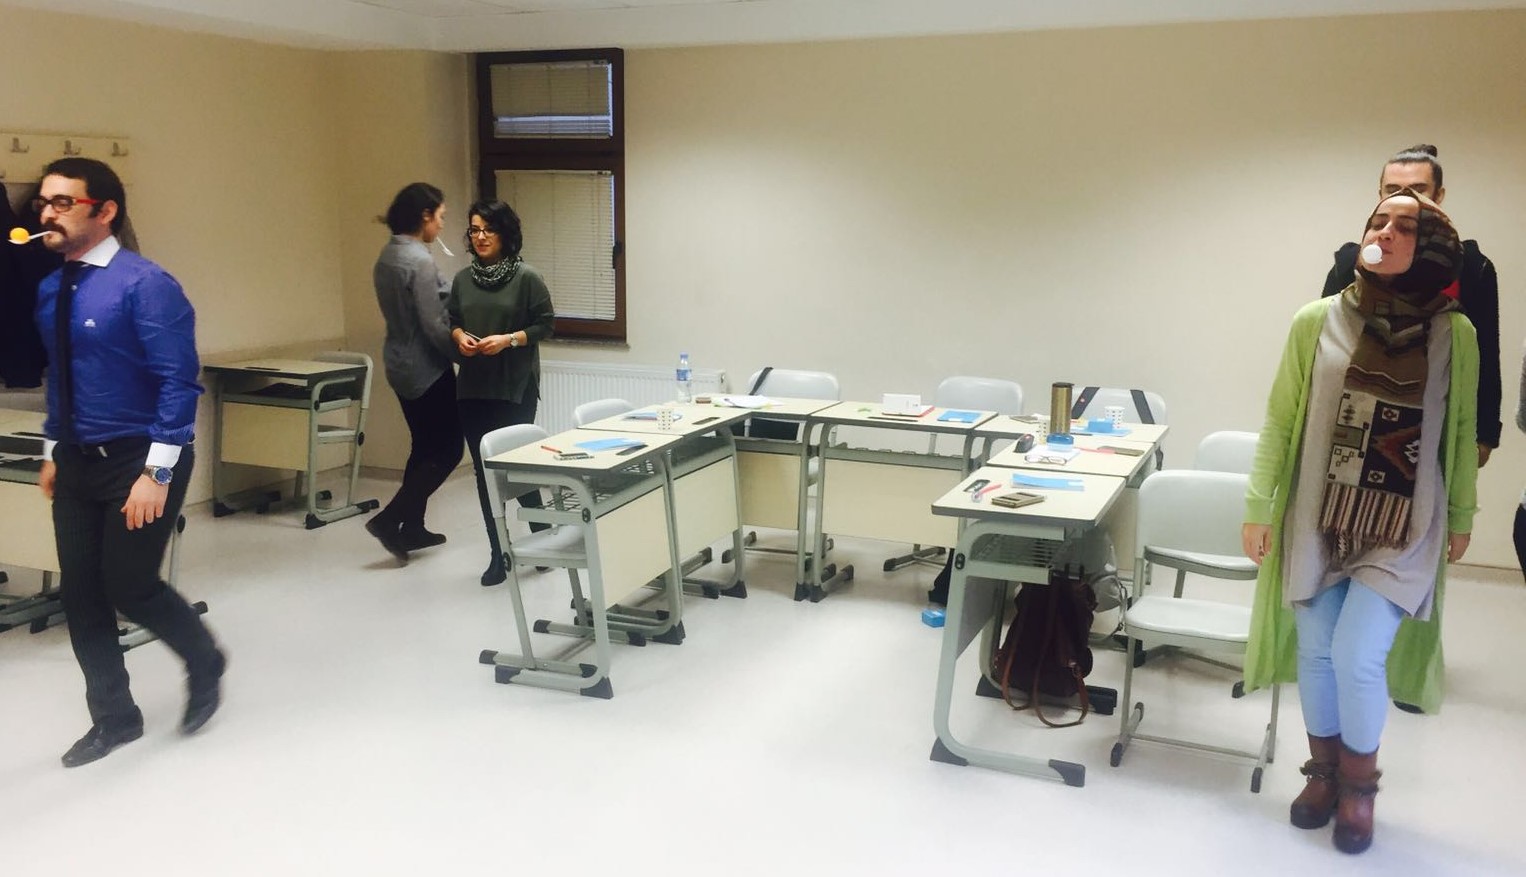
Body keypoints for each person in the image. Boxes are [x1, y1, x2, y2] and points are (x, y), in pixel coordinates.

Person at [1242, 189, 1478, 854]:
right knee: (1317, 650)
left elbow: (1459, 431)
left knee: (1357, 652)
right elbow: (1280, 417)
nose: (1385, 233)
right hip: (1318, 516)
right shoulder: (1316, 320)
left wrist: (1463, 513)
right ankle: (1323, 775)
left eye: (1405, 226)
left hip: (1405, 524)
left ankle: (1360, 788)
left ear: (1432, 251)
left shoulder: (1455, 334)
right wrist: (1259, 504)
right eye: (1378, 221)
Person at [33, 158, 226, 767]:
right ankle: (114, 719)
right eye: (44, 202)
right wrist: (52, 449)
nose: (48, 213)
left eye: (63, 202)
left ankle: (204, 659)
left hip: (140, 458)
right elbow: (61, 376)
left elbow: (178, 383)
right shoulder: (50, 289)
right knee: (81, 595)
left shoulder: (146, 284)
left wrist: (156, 473)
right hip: (76, 459)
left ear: (106, 210)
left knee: (129, 585)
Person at [1321, 145, 1500, 468]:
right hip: (1350, 417)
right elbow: (1323, 347)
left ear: (1439, 196)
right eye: (1392, 190)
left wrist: (1485, 435)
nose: (1405, 198)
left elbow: (1485, 352)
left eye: (1418, 189)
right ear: (1380, 195)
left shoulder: (1472, 268)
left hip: (1439, 422)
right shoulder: (1351, 263)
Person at [447, 200, 555, 586]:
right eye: (474, 230)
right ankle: (499, 552)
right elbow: (453, 320)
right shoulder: (462, 280)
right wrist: (459, 337)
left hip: (515, 386)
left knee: (516, 466)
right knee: (484, 471)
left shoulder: (527, 277)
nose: (480, 237)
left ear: (505, 234)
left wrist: (509, 339)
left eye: (488, 230)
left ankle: (543, 536)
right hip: (473, 386)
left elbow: (546, 324)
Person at [365, 183, 464, 562]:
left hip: (398, 362)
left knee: (423, 447)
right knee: (449, 449)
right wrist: (463, 356)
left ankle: (413, 528)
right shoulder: (419, 260)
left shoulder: (387, 256)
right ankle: (390, 520)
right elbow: (434, 325)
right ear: (424, 216)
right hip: (426, 367)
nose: (441, 226)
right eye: (440, 217)